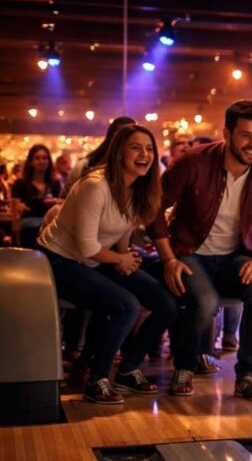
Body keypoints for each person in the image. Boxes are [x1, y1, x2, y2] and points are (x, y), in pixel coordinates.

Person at [148, 100, 252, 402]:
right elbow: (154, 208)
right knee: (206, 303)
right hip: (189, 251)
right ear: (227, 133)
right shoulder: (193, 161)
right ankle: (184, 366)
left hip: (235, 255)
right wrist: (168, 259)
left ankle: (248, 376)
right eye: (246, 136)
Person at [37, 125, 176, 404]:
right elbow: (86, 246)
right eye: (135, 147)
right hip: (60, 260)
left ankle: (128, 369)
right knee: (127, 305)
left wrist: (124, 260)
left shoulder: (137, 188)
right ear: (119, 153)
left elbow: (121, 229)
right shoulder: (95, 186)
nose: (144, 154)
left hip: (97, 258)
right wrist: (119, 260)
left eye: (149, 149)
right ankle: (97, 380)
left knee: (166, 303)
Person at [63, 116, 136, 197]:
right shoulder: (85, 165)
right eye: (123, 136)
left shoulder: (136, 170)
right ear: (113, 137)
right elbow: (65, 196)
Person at [11, 144, 61, 248]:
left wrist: (55, 200)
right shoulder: (20, 183)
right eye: (37, 158)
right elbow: (14, 211)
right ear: (30, 162)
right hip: (29, 227)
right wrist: (16, 235)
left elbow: (63, 204)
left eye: (45, 158)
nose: (42, 161)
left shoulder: (55, 184)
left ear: (49, 161)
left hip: (50, 227)